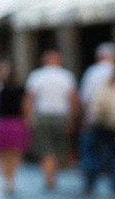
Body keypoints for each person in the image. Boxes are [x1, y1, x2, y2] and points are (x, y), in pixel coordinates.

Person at [23, 49, 79, 191]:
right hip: (61, 116)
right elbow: (73, 100)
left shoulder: (37, 76)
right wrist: (72, 118)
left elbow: (30, 99)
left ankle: (49, 177)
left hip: (43, 116)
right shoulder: (67, 76)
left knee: (46, 148)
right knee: (58, 148)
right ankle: (52, 176)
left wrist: (29, 118)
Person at [83, 50, 115, 199]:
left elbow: (91, 101)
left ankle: (91, 183)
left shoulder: (98, 79)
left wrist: (88, 119)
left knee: (96, 154)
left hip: (102, 125)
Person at [0, 59, 29, 196]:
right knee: (7, 153)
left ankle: (9, 178)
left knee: (10, 153)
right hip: (8, 121)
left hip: (8, 121)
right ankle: (8, 178)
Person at [78, 42, 115, 193]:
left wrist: (83, 117)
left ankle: (90, 183)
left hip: (93, 118)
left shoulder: (92, 72)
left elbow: (85, 97)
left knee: (91, 150)